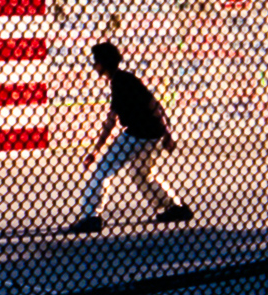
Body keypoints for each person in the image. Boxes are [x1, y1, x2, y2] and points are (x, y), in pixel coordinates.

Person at [68, 41, 193, 234]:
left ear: (103, 63)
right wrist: (166, 133)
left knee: (103, 170)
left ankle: (92, 216)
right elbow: (148, 108)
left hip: (136, 135)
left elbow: (120, 117)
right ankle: (175, 207)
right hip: (152, 135)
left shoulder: (122, 81)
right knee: (141, 173)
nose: (94, 65)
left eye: (96, 62)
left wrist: (95, 151)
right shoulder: (123, 80)